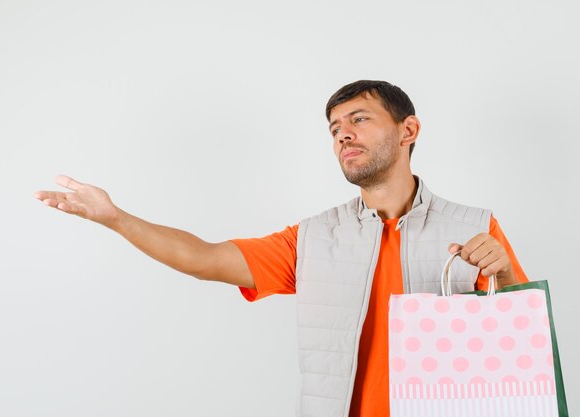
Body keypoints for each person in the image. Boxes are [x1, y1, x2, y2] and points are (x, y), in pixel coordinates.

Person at [35, 80, 529, 417]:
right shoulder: (313, 238)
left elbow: (525, 339)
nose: (344, 135)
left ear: (409, 131)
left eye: (358, 119)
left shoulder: (475, 226)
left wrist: (504, 273)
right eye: (335, 129)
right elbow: (206, 258)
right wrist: (117, 219)